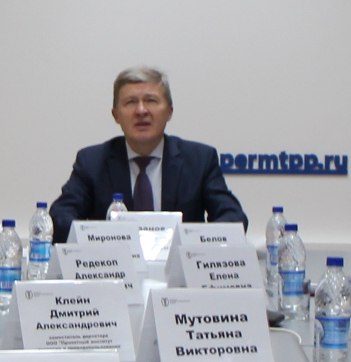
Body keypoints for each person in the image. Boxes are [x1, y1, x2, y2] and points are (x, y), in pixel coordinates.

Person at [48, 67, 248, 240]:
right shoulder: (92, 162)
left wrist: (192, 242)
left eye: (151, 101)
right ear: (116, 115)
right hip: (115, 269)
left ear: (169, 112)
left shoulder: (199, 160)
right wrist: (101, 239)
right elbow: (60, 217)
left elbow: (234, 217)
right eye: (131, 102)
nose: (141, 111)